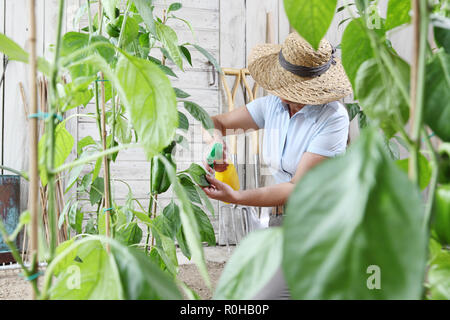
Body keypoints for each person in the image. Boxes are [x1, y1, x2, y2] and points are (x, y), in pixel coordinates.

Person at [201, 32, 353, 299]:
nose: (283, 97)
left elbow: (295, 188)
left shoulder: (333, 118)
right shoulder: (274, 106)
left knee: (266, 297)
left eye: (293, 92)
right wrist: (218, 143)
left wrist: (237, 197)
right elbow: (216, 122)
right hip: (281, 220)